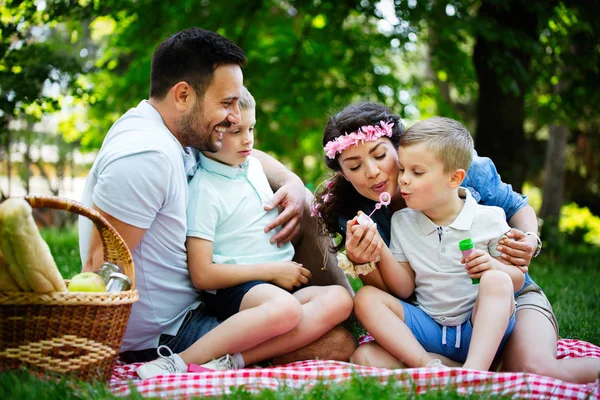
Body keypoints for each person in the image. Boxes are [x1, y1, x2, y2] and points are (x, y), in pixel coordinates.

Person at [78, 28, 354, 379]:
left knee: (329, 300)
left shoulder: (176, 130)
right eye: (227, 103)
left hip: (198, 306)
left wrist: (292, 183)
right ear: (182, 95)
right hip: (166, 334)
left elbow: (249, 155)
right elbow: (101, 268)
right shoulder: (146, 157)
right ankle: (197, 364)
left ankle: (226, 357)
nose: (236, 118)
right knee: (337, 345)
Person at [313, 102, 600, 382]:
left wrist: (528, 240)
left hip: (503, 301)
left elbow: (516, 210)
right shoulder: (358, 214)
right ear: (343, 173)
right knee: (368, 357)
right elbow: (398, 290)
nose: (372, 171)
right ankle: (462, 371)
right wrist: (365, 260)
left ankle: (480, 367)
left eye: (379, 155)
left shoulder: (452, 163)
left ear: (398, 146)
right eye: (354, 166)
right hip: (434, 316)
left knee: (535, 368)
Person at [140, 86, 350, 377]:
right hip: (238, 290)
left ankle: (234, 360)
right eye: (236, 131)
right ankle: (175, 361)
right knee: (286, 310)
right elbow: (202, 274)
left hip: (275, 290)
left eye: (251, 128)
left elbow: (262, 161)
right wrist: (271, 272)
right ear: (209, 133)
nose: (248, 139)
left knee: (340, 299)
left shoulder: (251, 166)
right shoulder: (204, 190)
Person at [353, 117, 523, 370]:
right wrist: (378, 247)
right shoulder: (403, 221)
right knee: (365, 302)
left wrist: (492, 267)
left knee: (497, 281)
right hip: (431, 330)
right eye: (402, 169)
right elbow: (404, 287)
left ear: (454, 179)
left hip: (478, 329)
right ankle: (432, 366)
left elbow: (517, 280)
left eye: (417, 172)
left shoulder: (489, 218)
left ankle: (475, 371)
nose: (403, 180)